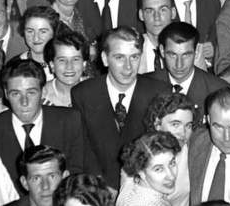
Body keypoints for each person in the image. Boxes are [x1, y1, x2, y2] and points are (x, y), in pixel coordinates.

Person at [71, 27, 169, 189]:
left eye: (134, 57)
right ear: (104, 58)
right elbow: (83, 148)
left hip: (145, 188)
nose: (128, 67)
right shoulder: (83, 94)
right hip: (99, 189)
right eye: (119, 58)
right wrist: (100, 186)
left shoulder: (159, 92)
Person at [0, 58, 88, 191]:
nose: (24, 102)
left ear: (42, 91)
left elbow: (78, 174)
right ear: (6, 94)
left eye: (31, 92)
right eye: (16, 93)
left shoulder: (71, 121)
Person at [149, 22, 229, 122]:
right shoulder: (145, 86)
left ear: (196, 53)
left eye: (186, 55)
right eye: (172, 55)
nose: (179, 64)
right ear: (161, 51)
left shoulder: (218, 91)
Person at [142, 93, 197, 206]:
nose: (183, 133)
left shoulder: (191, 152)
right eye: (175, 124)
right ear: (157, 124)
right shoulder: (140, 155)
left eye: (188, 126)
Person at [117, 131, 181, 206]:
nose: (171, 176)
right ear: (141, 172)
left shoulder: (130, 184)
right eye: (158, 169)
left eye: (172, 163)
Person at [42, 30, 90, 107]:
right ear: (52, 65)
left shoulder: (96, 92)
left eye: (75, 59)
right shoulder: (40, 96)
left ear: (84, 64)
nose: (69, 66)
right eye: (62, 60)